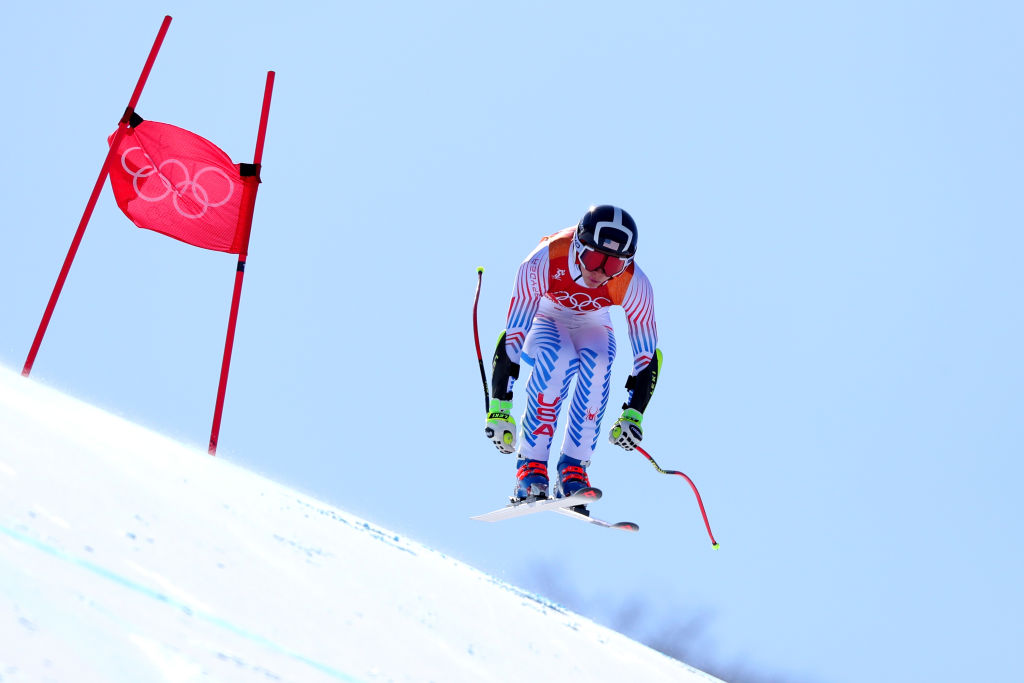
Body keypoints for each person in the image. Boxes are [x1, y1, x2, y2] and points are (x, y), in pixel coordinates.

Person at [484, 205, 662, 502]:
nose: (600, 271)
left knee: (600, 362)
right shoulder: (544, 259)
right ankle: (531, 465)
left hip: (593, 319)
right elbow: (514, 332)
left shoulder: (633, 282)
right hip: (546, 315)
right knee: (558, 357)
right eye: (594, 258)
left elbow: (646, 354)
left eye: (613, 265)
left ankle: (573, 468)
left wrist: (633, 414)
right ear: (578, 245)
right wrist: (500, 407)